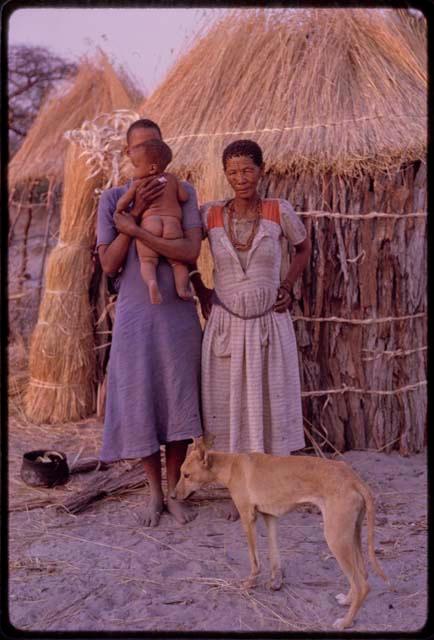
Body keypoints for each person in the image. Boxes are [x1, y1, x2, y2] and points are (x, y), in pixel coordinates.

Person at [190, 139, 311, 520]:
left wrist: (288, 286)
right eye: (232, 172)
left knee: (268, 405)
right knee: (229, 407)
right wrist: (202, 291)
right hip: (226, 325)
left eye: (247, 170)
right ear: (225, 175)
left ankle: (271, 491)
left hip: (268, 327)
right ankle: (239, 491)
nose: (240, 178)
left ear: (261, 170)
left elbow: (304, 248)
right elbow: (185, 255)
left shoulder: (278, 211)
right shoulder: (209, 214)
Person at [96, 118, 203, 527]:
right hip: (136, 315)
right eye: (138, 147)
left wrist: (138, 230)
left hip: (176, 311)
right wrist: (134, 217)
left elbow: (191, 250)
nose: (147, 155)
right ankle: (154, 493)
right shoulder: (111, 199)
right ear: (129, 154)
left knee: (177, 394)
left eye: (153, 146)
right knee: (141, 397)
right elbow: (109, 263)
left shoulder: (185, 190)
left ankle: (175, 490)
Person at [116, 138, 192, 304]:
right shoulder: (172, 178)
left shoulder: (138, 183)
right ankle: (182, 289)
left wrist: (120, 209)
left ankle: (152, 283)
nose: (133, 171)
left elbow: (122, 203)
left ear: (152, 168)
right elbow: (184, 197)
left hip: (150, 224)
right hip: (172, 224)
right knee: (178, 263)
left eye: (136, 166)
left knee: (148, 260)